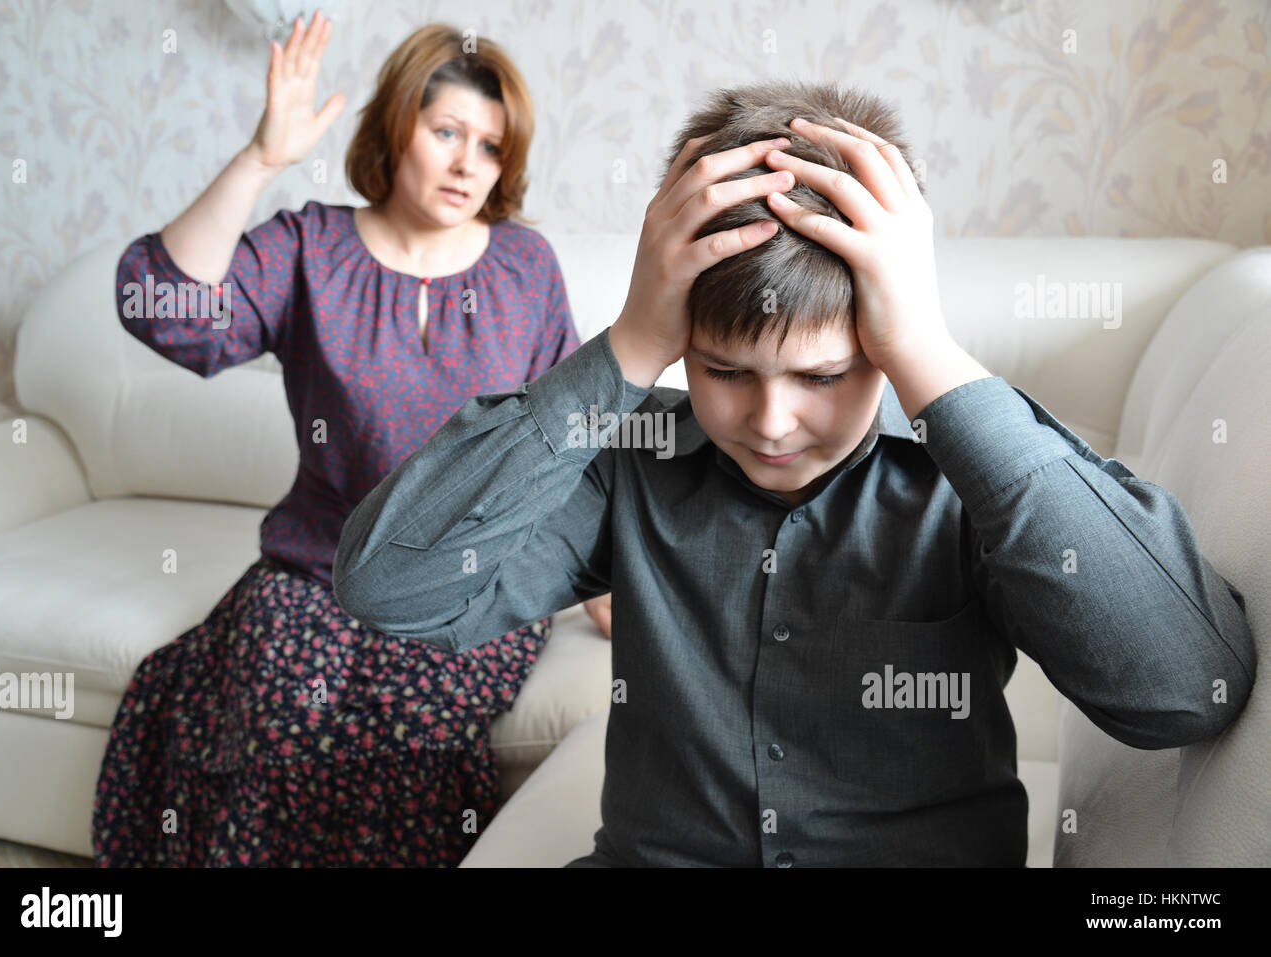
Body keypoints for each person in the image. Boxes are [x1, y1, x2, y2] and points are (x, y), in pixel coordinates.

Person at [330, 80, 1257, 866]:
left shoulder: (970, 476)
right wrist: (626, 350)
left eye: (820, 376)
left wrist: (928, 352)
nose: (770, 423)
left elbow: (1186, 688)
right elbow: (388, 587)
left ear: (884, 347)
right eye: (725, 371)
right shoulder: (631, 461)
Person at [91, 15, 609, 867]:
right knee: (277, 706)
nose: (466, 162)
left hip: (467, 584)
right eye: (445, 131)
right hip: (313, 569)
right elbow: (162, 309)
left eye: (489, 145)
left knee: (402, 736)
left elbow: (572, 439)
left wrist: (600, 577)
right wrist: (261, 159)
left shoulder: (525, 267)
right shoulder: (310, 246)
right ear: (396, 125)